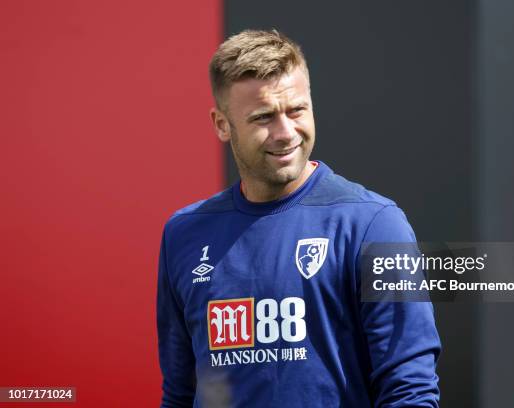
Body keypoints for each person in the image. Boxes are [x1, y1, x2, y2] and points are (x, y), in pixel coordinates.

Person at [157, 29, 441, 408]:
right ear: (222, 125)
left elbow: (410, 390)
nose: (285, 132)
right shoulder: (185, 234)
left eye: (297, 110)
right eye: (263, 117)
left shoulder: (374, 223)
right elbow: (180, 393)